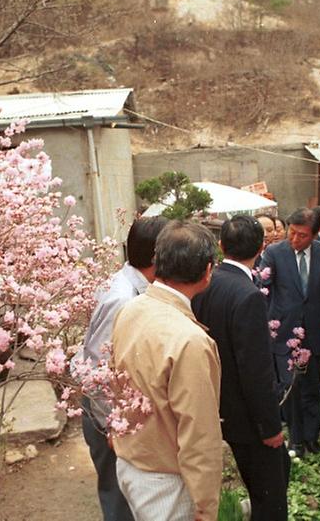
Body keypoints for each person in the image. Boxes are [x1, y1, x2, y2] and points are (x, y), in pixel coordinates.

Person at [111, 221, 222, 521]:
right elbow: (199, 433)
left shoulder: (130, 309)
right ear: (208, 271)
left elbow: (114, 381)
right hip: (165, 480)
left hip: (130, 461)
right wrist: (206, 505)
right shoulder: (190, 340)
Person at [193, 215, 289, 521]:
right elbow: (255, 371)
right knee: (270, 496)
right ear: (262, 247)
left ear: (221, 246)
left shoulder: (208, 283)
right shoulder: (247, 295)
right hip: (247, 417)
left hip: (219, 403)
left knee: (266, 484)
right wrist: (270, 427)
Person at [78, 216, 168, 521]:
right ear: (158, 257)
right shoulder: (123, 299)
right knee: (120, 504)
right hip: (108, 419)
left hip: (115, 415)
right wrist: (113, 426)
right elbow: (98, 366)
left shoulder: (132, 286)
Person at [259, 208, 320, 458]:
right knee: (290, 389)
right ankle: (295, 439)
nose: (295, 239)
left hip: (315, 331)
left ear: (314, 235)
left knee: (313, 387)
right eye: (292, 233)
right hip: (284, 333)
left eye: (302, 235)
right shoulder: (274, 253)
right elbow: (263, 291)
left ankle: (311, 437)